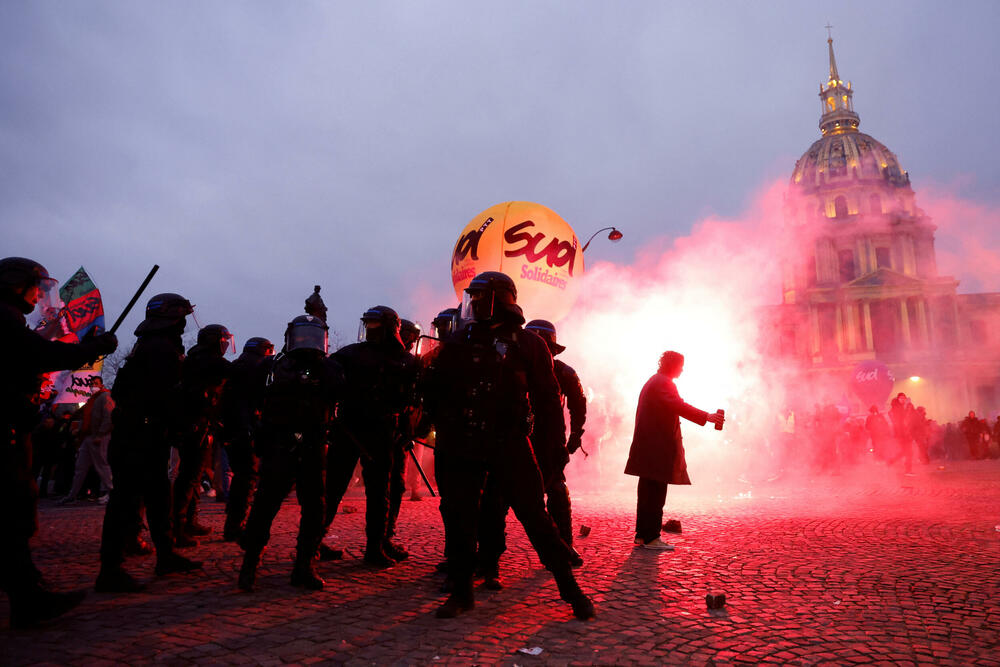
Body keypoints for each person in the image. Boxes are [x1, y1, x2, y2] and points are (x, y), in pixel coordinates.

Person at [422, 271, 595, 620]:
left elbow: (548, 403)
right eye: (472, 297)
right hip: (463, 443)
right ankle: (461, 590)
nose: (472, 303)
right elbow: (437, 393)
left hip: (509, 443)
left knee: (535, 515)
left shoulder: (528, 344)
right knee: (460, 518)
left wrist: (553, 451)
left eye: (480, 297)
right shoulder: (458, 340)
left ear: (500, 299)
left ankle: (570, 588)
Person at [0, 256, 117, 626]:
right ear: (16, 283)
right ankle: (28, 601)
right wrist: (89, 349)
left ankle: (28, 592)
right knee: (11, 518)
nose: (38, 294)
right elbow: (37, 354)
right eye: (36, 286)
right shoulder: (3, 317)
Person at [96, 293, 202, 593]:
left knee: (158, 499)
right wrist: (180, 422)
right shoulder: (160, 350)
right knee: (125, 503)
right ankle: (110, 570)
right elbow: (165, 396)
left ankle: (166, 555)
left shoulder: (152, 346)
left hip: (145, 435)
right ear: (174, 319)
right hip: (139, 437)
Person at [476, 318, 588, 587]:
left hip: (547, 443)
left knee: (557, 493)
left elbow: (578, 405)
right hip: (512, 441)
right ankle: (489, 562)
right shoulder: (504, 364)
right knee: (495, 500)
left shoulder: (565, 372)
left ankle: (564, 547)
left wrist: (573, 436)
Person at [238, 315, 344, 591]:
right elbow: (248, 399)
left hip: (310, 444)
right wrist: (255, 432)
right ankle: (250, 565)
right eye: (303, 335)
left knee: (313, 508)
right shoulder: (271, 367)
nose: (307, 341)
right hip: (280, 443)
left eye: (313, 335)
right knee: (265, 506)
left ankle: (304, 566)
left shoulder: (329, 369)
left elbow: (339, 394)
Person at [322, 306, 419, 567]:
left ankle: (375, 547)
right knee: (339, 489)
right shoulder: (355, 354)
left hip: (377, 431)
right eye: (370, 324)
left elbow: (411, 401)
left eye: (376, 325)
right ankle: (314, 543)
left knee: (377, 492)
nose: (371, 330)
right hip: (355, 430)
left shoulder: (403, 360)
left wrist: (406, 431)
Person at [624, 351, 724, 550]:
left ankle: (643, 535)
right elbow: (678, 405)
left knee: (646, 493)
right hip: (657, 449)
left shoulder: (655, 380)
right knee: (656, 494)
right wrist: (707, 416)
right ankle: (652, 537)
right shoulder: (664, 383)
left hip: (649, 448)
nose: (682, 369)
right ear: (672, 365)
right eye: (680, 365)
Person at [172, 324, 233, 545]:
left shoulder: (195, 358)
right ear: (215, 341)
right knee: (189, 477)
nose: (225, 346)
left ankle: (189, 520)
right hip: (195, 424)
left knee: (193, 476)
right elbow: (235, 373)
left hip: (197, 423)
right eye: (223, 341)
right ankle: (178, 526)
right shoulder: (209, 360)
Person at [221, 337, 274, 542]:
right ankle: (235, 526)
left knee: (240, 477)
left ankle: (232, 521)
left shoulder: (236, 365)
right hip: (246, 429)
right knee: (247, 477)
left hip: (231, 429)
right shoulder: (258, 368)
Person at [60, 377, 115, 504]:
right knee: (81, 466)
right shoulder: (93, 399)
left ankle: (111, 492)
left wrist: (100, 434)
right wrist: (80, 430)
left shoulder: (104, 397)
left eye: (95, 383)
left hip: (98, 437)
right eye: (91, 384)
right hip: (89, 436)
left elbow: (109, 417)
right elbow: (89, 419)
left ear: (101, 385)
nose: (92, 386)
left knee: (102, 466)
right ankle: (72, 495)